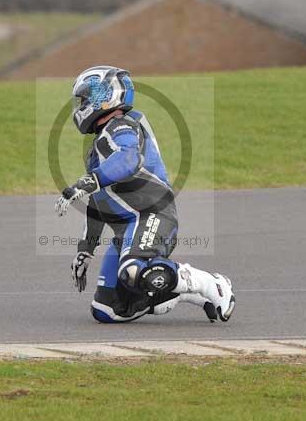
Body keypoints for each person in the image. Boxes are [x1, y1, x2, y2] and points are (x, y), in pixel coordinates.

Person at [55, 65, 235, 323]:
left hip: (153, 214)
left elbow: (128, 158)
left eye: (86, 98)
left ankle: (210, 284)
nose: (81, 104)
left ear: (107, 96)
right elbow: (98, 203)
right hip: (128, 229)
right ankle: (175, 295)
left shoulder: (122, 126)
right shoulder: (99, 147)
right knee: (108, 309)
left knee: (133, 271)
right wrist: (86, 249)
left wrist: (87, 181)